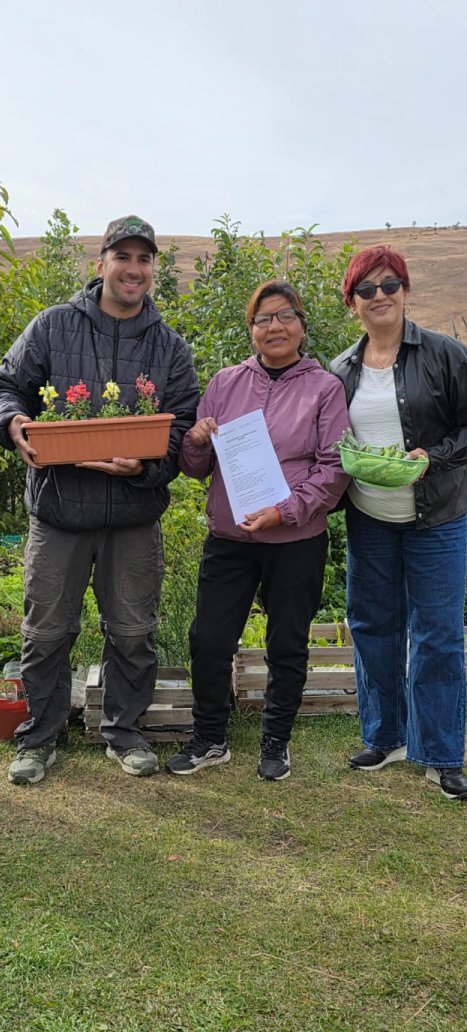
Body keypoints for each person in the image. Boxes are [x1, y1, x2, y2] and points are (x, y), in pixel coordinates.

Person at [0, 215, 199, 784]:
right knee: (46, 632)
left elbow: (183, 425)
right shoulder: (53, 326)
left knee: (132, 631)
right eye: (122, 256)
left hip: (133, 516)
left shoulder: (169, 347)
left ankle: (124, 731)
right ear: (100, 262)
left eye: (143, 259)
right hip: (60, 510)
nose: (133, 269)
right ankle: (39, 737)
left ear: (152, 268)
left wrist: (147, 464)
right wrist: (13, 424)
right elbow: (7, 386)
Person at [165, 281, 349, 781]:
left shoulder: (324, 389)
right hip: (231, 539)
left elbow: (333, 469)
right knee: (208, 639)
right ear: (251, 330)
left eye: (285, 316)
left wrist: (284, 511)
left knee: (286, 643)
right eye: (263, 319)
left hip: (296, 540)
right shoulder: (225, 383)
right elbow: (196, 468)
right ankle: (209, 739)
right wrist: (196, 440)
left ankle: (275, 741)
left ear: (302, 326)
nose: (275, 327)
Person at [331, 246, 467, 801]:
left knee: (437, 634)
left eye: (389, 285)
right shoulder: (341, 369)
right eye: (366, 289)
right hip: (370, 517)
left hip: (438, 518)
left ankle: (440, 751)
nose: (379, 296)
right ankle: (385, 736)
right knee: (371, 625)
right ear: (352, 303)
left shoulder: (445, 354)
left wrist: (434, 456)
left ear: (405, 291)